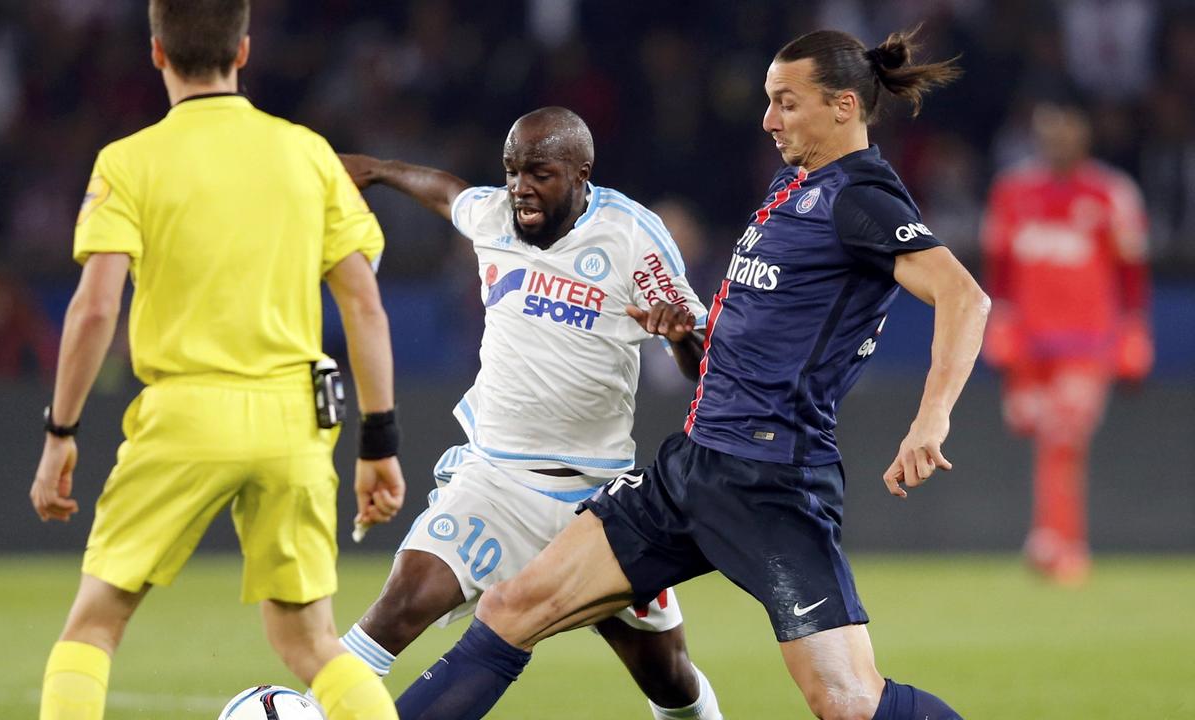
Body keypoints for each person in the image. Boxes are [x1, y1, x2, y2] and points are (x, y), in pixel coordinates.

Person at [394, 28, 990, 720]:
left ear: (844, 106)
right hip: (694, 465)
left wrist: (930, 419)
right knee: (510, 607)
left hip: (772, 482)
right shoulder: (793, 186)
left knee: (849, 703)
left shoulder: (861, 199)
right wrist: (686, 330)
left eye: (786, 104)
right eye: (768, 102)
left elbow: (964, 296)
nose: (768, 119)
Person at [28, 2, 405, 719]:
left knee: (94, 625)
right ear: (244, 50)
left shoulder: (129, 161)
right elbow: (363, 305)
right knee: (310, 642)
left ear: (157, 54)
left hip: (185, 416)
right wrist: (379, 442)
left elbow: (95, 310)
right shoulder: (307, 153)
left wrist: (61, 433)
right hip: (295, 420)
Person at [337, 106, 725, 720]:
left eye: (537, 173)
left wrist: (679, 336)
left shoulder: (631, 235)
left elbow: (704, 359)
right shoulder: (496, 214)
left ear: (580, 174)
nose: (519, 187)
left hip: (596, 504)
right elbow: (449, 194)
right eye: (512, 170)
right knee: (400, 605)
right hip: (494, 481)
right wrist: (380, 171)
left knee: (667, 676)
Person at [981, 98, 1152, 585]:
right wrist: (1001, 327)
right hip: (1031, 345)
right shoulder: (1012, 192)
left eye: (1065, 129)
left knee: (1063, 437)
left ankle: (1060, 545)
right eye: (1047, 130)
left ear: (1083, 134)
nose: (1056, 139)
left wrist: (1134, 332)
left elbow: (1133, 272)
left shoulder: (1111, 194)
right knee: (1032, 427)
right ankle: (1052, 538)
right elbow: (1001, 270)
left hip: (1086, 343)